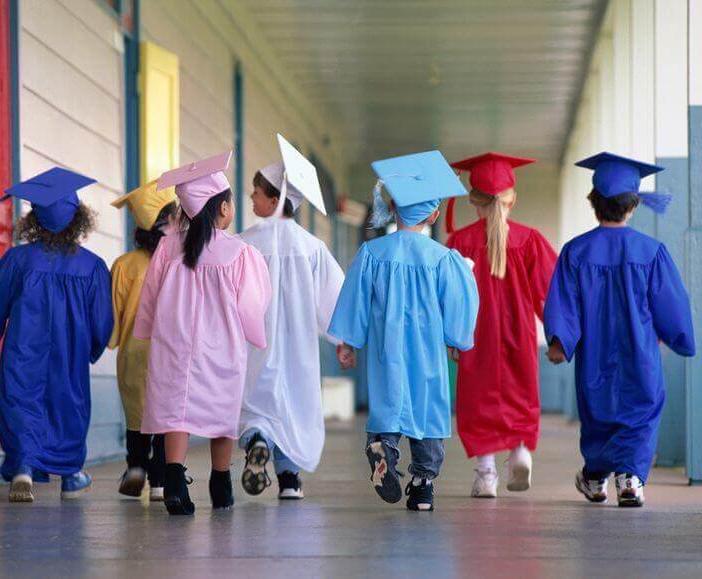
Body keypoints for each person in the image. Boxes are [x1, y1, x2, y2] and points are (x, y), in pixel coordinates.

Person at [328, 150, 479, 512]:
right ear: (433, 215)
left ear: (392, 207)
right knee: (428, 409)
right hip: (428, 352)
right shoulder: (443, 259)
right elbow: (459, 305)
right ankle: (423, 485)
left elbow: (354, 299)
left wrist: (349, 342)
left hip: (388, 349)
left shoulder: (372, 253)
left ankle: (384, 447)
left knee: (389, 401)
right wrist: (456, 340)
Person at [543, 152, 695, 508]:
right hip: (639, 351)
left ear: (593, 203)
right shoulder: (651, 251)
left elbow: (564, 302)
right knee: (642, 410)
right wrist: (677, 335)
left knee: (598, 413)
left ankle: (596, 477)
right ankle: (630, 478)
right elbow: (671, 303)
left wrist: (560, 341)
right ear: (633, 205)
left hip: (595, 353)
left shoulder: (575, 251)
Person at [133, 152, 271, 515]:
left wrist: (146, 328)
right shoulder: (240, 253)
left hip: (174, 342)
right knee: (222, 410)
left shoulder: (167, 247)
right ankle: (220, 482)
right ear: (223, 209)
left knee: (176, 410)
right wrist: (254, 333)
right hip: (222, 345)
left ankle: (174, 478)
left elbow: (150, 296)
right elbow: (252, 304)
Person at [0, 168, 113, 502]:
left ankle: (23, 468)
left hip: (24, 349)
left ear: (34, 219)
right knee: (67, 405)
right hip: (69, 353)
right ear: (78, 219)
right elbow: (102, 319)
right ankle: (71, 476)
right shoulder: (92, 266)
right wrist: (92, 348)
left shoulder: (18, 259)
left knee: (21, 401)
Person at [445, 153, 557, 499]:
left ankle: (486, 474)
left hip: (474, 334)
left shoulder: (459, 242)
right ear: (512, 199)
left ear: (473, 200)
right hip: (518, 331)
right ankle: (520, 450)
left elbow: (448, 295)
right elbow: (552, 292)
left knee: (477, 397)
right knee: (520, 390)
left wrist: (449, 335)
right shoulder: (529, 239)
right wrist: (558, 334)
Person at [238, 153, 344, 500]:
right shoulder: (312, 247)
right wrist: (343, 340)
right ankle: (289, 480)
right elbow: (335, 297)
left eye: (256, 192)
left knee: (255, 402)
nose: (251, 196)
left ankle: (257, 441)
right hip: (298, 344)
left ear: (274, 200)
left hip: (253, 341)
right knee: (293, 405)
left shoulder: (242, 243)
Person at [109, 180, 177, 501]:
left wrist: (111, 339)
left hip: (134, 352)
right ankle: (160, 480)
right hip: (172, 351)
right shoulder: (180, 262)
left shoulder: (125, 265)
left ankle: (136, 466)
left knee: (137, 415)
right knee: (165, 417)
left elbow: (114, 316)